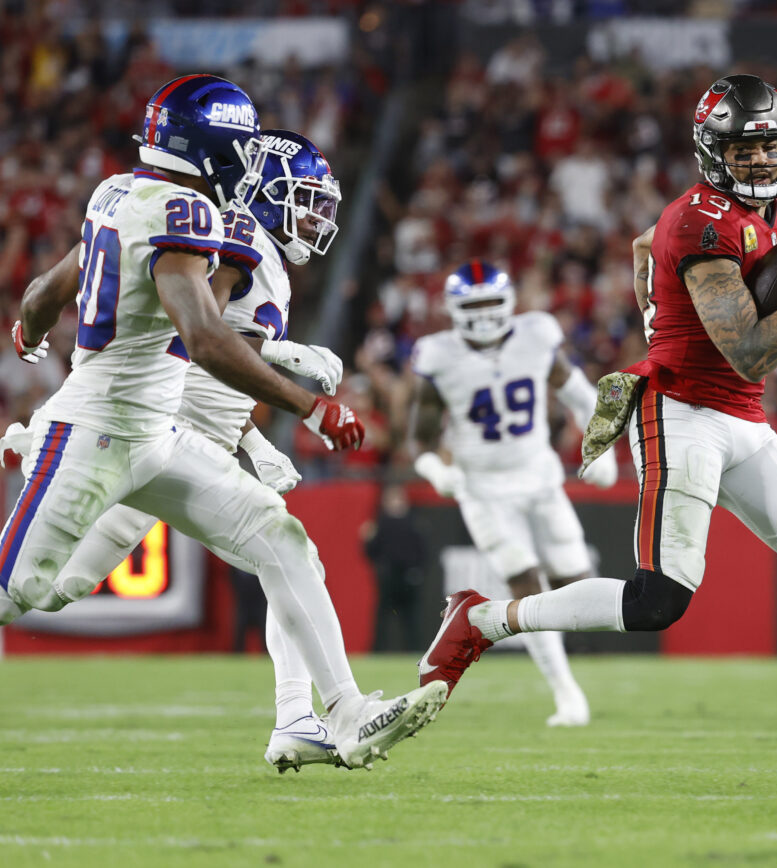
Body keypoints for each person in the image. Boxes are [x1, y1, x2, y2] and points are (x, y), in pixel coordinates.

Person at [417, 74, 777, 787]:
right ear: (710, 149)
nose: (760, 161)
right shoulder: (701, 221)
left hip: (740, 415)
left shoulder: (743, 214)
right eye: (744, 147)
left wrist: (655, 308)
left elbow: (642, 247)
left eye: (770, 145)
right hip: (683, 410)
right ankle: (483, 620)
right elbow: (749, 348)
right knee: (657, 600)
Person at [0, 76, 447, 770]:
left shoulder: (116, 192)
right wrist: (312, 405)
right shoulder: (185, 210)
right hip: (97, 428)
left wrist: (27, 331)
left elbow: (42, 293)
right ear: (215, 147)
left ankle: (343, 714)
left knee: (281, 537)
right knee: (21, 591)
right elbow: (206, 340)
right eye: (238, 144)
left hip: (152, 435)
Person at [408, 259, 618, 727]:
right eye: (473, 305)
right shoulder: (438, 356)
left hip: (540, 476)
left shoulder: (536, 335)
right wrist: (434, 470)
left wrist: (601, 445)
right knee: (524, 583)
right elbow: (419, 440)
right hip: (483, 489)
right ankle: (566, 693)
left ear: (507, 304)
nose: (483, 315)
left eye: (489, 303)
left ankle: (567, 678)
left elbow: (583, 395)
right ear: (454, 310)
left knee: (575, 583)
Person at [363, 484, 428, 652]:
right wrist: (368, 540)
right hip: (389, 576)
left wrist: (417, 571)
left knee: (410, 618)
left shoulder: (413, 522)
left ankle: (414, 650)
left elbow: (422, 551)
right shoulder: (382, 522)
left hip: (407, 575)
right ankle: (378, 650)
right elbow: (372, 553)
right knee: (383, 617)